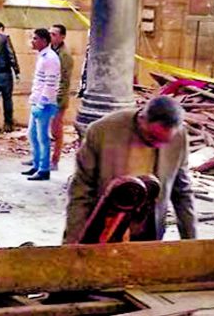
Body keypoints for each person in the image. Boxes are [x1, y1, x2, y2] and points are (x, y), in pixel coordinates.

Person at [63, 96, 197, 244]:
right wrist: (72, 243)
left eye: (164, 142)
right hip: (104, 228)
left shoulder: (179, 137)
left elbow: (182, 193)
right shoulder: (102, 132)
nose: (158, 145)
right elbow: (81, 192)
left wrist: (191, 242)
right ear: (141, 119)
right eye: (153, 138)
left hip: (149, 230)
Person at [23, 29, 60, 181]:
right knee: (32, 135)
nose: (32, 41)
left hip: (44, 104)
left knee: (42, 137)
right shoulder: (43, 56)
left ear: (44, 41)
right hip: (37, 102)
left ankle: (44, 169)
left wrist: (42, 103)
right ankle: (37, 164)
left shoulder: (50, 58)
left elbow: (50, 83)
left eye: (35, 38)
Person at [49, 24, 74, 171]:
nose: (51, 37)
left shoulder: (64, 55)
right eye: (50, 34)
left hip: (58, 99)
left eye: (54, 34)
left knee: (56, 130)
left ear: (62, 37)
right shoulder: (51, 51)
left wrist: (56, 100)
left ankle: (55, 159)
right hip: (49, 97)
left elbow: (64, 81)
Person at [0, 22, 20, 132]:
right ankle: (8, 124)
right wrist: (16, 71)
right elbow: (11, 54)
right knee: (7, 99)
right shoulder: (5, 38)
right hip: (5, 73)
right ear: (1, 28)